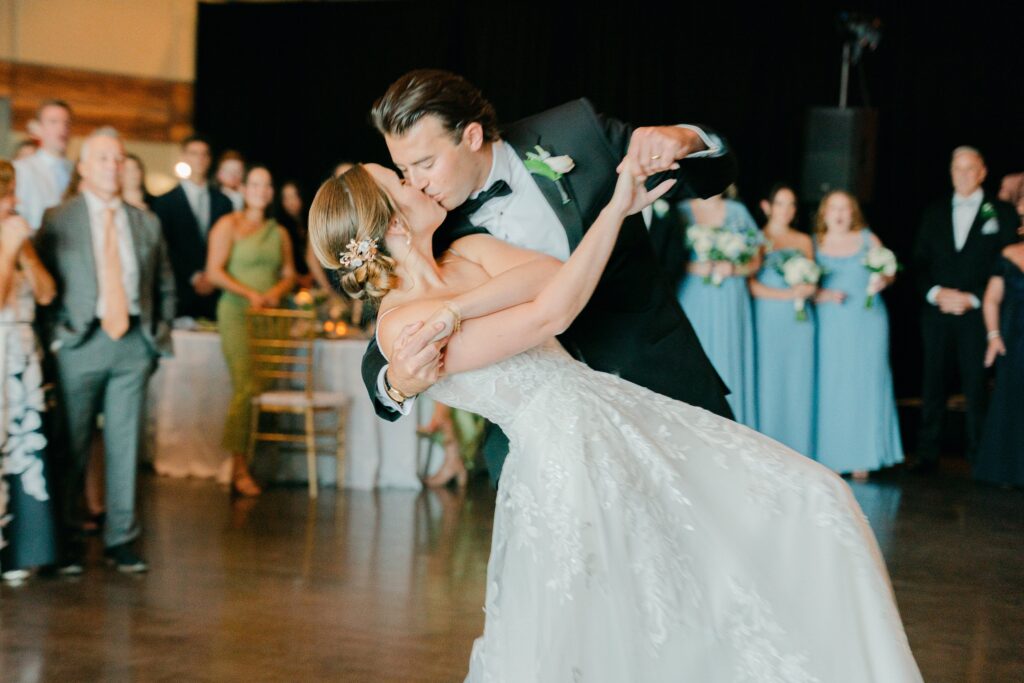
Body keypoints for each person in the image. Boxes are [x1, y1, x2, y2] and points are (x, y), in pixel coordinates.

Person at [309, 162, 923, 682]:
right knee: (617, 619)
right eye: (403, 180)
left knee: (811, 496)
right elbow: (548, 312)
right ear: (392, 221)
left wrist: (453, 310)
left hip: (614, 414)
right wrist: (616, 208)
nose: (420, 180)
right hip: (563, 456)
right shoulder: (396, 325)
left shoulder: (467, 252)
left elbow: (553, 275)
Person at [361, 69, 734, 487]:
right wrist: (394, 382)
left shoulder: (575, 132)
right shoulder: (432, 225)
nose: (416, 183)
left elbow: (702, 178)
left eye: (425, 163)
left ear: (470, 137)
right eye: (403, 169)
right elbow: (394, 325)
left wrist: (688, 140)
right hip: (546, 444)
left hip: (660, 381)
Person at [35, 127, 176, 574]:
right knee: (70, 446)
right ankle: (68, 541)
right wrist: (57, 338)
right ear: (83, 167)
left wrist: (154, 339)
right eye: (102, 159)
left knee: (124, 445)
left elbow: (165, 285)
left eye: (118, 159)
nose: (113, 166)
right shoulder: (59, 218)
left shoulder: (145, 220)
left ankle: (121, 540)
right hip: (80, 343)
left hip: (133, 344)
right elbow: (44, 285)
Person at [911, 147, 1019, 472]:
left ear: (982, 172)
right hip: (937, 312)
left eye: (969, 169)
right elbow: (918, 262)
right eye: (957, 168)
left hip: (978, 313)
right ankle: (927, 455)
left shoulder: (999, 211)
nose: (962, 175)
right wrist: (935, 293)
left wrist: (973, 297)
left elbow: (1007, 263)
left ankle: (978, 456)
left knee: (976, 386)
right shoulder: (934, 211)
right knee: (932, 383)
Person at [205, 166, 296, 497]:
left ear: (271, 192)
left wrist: (276, 291)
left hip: (271, 316)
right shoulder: (228, 225)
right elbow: (213, 272)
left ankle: (251, 461)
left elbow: (289, 274)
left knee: (260, 387)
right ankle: (238, 466)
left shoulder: (279, 232)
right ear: (243, 189)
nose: (261, 189)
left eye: (267, 184)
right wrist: (250, 294)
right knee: (244, 385)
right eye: (255, 184)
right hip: (237, 312)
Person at [813, 191, 903, 479]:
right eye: (833, 208)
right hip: (829, 322)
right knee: (832, 384)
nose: (839, 214)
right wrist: (822, 295)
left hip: (866, 320)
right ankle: (831, 454)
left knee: (864, 383)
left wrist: (884, 279)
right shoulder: (814, 243)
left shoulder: (867, 238)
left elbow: (888, 271)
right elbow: (803, 287)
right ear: (824, 213)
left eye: (845, 208)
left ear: (853, 213)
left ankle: (864, 455)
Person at [0, 159, 58, 582]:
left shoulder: (16, 234)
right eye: (7, 194)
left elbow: (46, 291)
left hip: (21, 356)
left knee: (24, 450)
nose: (14, 201)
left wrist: (23, 253)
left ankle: (20, 550)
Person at [676, 188, 760, 427]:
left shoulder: (737, 211)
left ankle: (733, 425)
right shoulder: (680, 210)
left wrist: (735, 269)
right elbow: (665, 255)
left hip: (729, 294)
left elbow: (756, 260)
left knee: (728, 351)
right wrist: (693, 267)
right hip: (693, 292)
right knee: (694, 353)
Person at [749, 184, 817, 454]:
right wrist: (787, 294)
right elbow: (751, 285)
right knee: (770, 378)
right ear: (767, 207)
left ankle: (799, 446)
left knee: (798, 380)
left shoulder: (803, 240)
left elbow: (813, 278)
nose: (786, 210)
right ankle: (768, 444)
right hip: (769, 317)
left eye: (791, 204)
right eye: (781, 203)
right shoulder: (758, 238)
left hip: (799, 320)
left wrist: (806, 290)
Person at [151, 136, 233, 321]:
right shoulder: (164, 202)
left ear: (210, 159)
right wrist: (194, 277)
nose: (200, 159)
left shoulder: (224, 202)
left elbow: (230, 245)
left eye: (204, 154)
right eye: (194, 153)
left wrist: (213, 276)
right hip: (180, 292)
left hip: (217, 294)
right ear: (184, 157)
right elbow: (164, 246)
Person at [973, 241, 1024, 486]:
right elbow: (992, 299)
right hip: (1014, 337)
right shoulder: (1009, 254)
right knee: (1011, 399)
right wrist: (993, 336)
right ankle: (1009, 472)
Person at [14, 99, 73, 231]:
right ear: (39, 128)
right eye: (53, 122)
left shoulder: (77, 171)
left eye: (66, 123)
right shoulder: (22, 169)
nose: (62, 128)